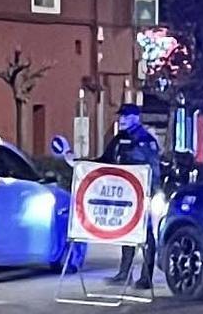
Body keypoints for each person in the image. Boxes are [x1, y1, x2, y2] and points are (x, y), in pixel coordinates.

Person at [62, 103, 161, 289]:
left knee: (145, 234)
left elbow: (153, 169)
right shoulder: (118, 139)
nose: (121, 120)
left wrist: (152, 192)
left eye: (126, 116)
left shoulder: (146, 141)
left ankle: (145, 278)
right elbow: (104, 162)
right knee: (127, 230)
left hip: (143, 194)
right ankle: (124, 273)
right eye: (121, 116)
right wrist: (79, 163)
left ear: (136, 118)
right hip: (125, 194)